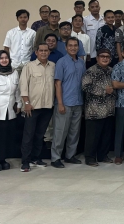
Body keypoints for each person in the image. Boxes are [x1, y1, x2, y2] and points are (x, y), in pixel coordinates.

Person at [19, 43, 55, 172]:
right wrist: (26, 103)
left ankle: (35, 158)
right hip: (32, 107)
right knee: (28, 135)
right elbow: (23, 86)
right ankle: (25, 162)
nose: (44, 53)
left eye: (46, 51)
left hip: (47, 107)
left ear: (49, 52)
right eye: (41, 51)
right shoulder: (29, 66)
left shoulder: (53, 66)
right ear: (36, 52)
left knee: (40, 135)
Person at [51, 37, 86, 168]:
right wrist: (60, 103)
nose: (73, 48)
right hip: (65, 102)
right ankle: (55, 158)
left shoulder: (81, 63)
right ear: (66, 48)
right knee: (60, 131)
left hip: (78, 102)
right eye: (70, 45)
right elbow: (57, 84)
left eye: (75, 45)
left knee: (74, 132)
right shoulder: (61, 62)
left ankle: (70, 155)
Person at [81, 48, 116, 166]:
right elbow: (85, 86)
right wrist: (104, 91)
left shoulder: (112, 71)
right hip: (94, 110)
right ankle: (90, 157)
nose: (105, 58)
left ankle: (103, 155)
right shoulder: (91, 71)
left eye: (107, 57)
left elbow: (116, 86)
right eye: (102, 56)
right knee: (92, 136)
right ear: (97, 58)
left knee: (106, 135)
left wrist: (112, 91)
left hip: (109, 108)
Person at [84, 0, 105, 68]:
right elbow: (84, 37)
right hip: (91, 54)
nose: (95, 8)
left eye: (96, 6)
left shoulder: (104, 19)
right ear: (89, 9)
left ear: (99, 8)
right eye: (92, 7)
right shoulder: (85, 20)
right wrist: (87, 53)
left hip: (103, 53)